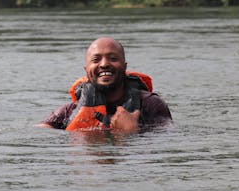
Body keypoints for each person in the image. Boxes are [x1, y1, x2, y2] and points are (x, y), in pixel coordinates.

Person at [38, 37, 171, 133]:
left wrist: (131, 131)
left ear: (124, 67)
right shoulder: (68, 111)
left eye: (113, 58)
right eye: (96, 60)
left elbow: (169, 137)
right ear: (86, 69)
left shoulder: (151, 104)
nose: (104, 64)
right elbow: (38, 136)